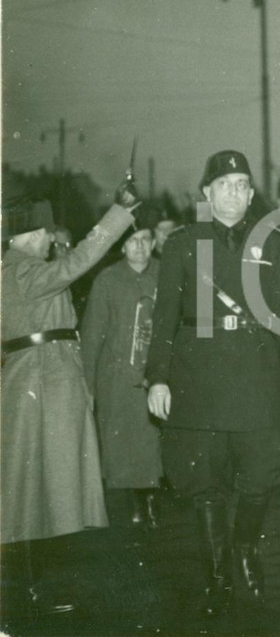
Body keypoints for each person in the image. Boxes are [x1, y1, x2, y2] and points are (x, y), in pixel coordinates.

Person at [145, 150, 280, 617]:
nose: (234, 192)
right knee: (206, 482)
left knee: (260, 476)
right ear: (207, 193)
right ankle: (216, 572)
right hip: (198, 378)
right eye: (224, 184)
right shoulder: (182, 244)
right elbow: (164, 321)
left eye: (242, 185)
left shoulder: (273, 244)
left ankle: (244, 547)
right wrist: (158, 377)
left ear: (252, 195)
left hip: (257, 376)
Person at [1, 174, 139, 617]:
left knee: (36, 488)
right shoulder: (21, 268)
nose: (51, 241)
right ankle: (30, 588)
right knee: (37, 489)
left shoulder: (16, 269)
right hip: (40, 381)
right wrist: (118, 214)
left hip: (38, 379)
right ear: (34, 233)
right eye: (47, 234)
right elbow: (78, 262)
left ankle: (34, 585)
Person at [81, 214, 164, 528]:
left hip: (155, 372)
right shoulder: (108, 279)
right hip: (117, 375)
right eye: (132, 241)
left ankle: (152, 498)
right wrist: (88, 385)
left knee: (153, 439)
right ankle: (135, 500)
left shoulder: (166, 274)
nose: (139, 246)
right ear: (122, 246)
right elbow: (92, 336)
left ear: (154, 242)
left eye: (145, 239)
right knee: (125, 441)